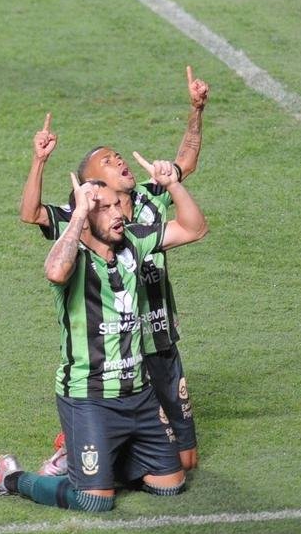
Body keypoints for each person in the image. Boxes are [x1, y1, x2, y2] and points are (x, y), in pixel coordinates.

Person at [0, 170, 207, 511]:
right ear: (85, 218)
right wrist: (79, 217)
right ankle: (12, 478)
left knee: (171, 485)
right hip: (90, 398)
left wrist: (173, 183)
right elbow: (55, 271)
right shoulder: (74, 256)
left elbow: (194, 228)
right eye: (105, 208)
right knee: (94, 501)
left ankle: (99, 457)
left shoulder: (133, 240)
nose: (118, 213)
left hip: (141, 395)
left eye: (118, 205)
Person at [20, 66, 209, 475]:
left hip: (159, 336)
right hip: (120, 347)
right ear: (92, 183)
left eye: (118, 156)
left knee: (187, 460)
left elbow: (185, 162)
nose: (121, 160)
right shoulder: (82, 219)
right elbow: (31, 213)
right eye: (109, 160)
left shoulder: (149, 199)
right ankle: (83, 450)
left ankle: (102, 453)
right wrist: (39, 160)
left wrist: (196, 109)